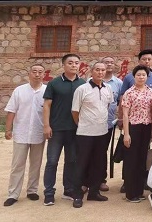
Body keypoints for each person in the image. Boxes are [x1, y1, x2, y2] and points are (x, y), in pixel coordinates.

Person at [42, 53, 85, 206]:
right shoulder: (54, 83)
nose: (74, 65)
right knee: (52, 161)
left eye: (76, 63)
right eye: (70, 63)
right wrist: (46, 125)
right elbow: (47, 105)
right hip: (57, 129)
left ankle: (69, 190)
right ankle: (49, 193)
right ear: (63, 65)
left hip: (75, 129)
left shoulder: (83, 84)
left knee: (71, 161)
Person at [71, 62, 114, 208]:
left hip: (102, 132)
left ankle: (94, 192)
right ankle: (77, 195)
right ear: (91, 71)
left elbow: (107, 106)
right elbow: (75, 111)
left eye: (103, 70)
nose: (100, 72)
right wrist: (81, 124)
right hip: (85, 133)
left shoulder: (108, 88)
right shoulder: (82, 89)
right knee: (81, 163)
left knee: (98, 163)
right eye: (97, 70)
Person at [3, 64, 47, 206]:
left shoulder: (47, 91)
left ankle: (32, 190)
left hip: (38, 133)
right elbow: (11, 111)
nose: (37, 74)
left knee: (36, 164)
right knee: (17, 165)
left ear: (44, 74)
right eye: (34, 71)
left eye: (40, 72)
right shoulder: (19, 91)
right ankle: (13, 194)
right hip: (21, 133)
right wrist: (8, 129)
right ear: (29, 74)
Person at [121, 65, 152, 203]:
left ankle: (139, 191)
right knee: (131, 160)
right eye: (138, 75)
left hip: (146, 127)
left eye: (143, 75)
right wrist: (126, 134)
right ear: (134, 77)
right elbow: (125, 114)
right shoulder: (129, 92)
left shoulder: (151, 91)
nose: (141, 77)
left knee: (142, 160)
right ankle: (130, 193)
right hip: (133, 127)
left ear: (147, 77)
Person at [99, 56, 122, 192]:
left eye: (111, 62)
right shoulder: (90, 82)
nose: (109, 64)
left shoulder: (118, 83)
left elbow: (120, 102)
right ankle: (87, 180)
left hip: (108, 123)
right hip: (91, 124)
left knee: (103, 151)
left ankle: (101, 179)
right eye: (106, 62)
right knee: (90, 151)